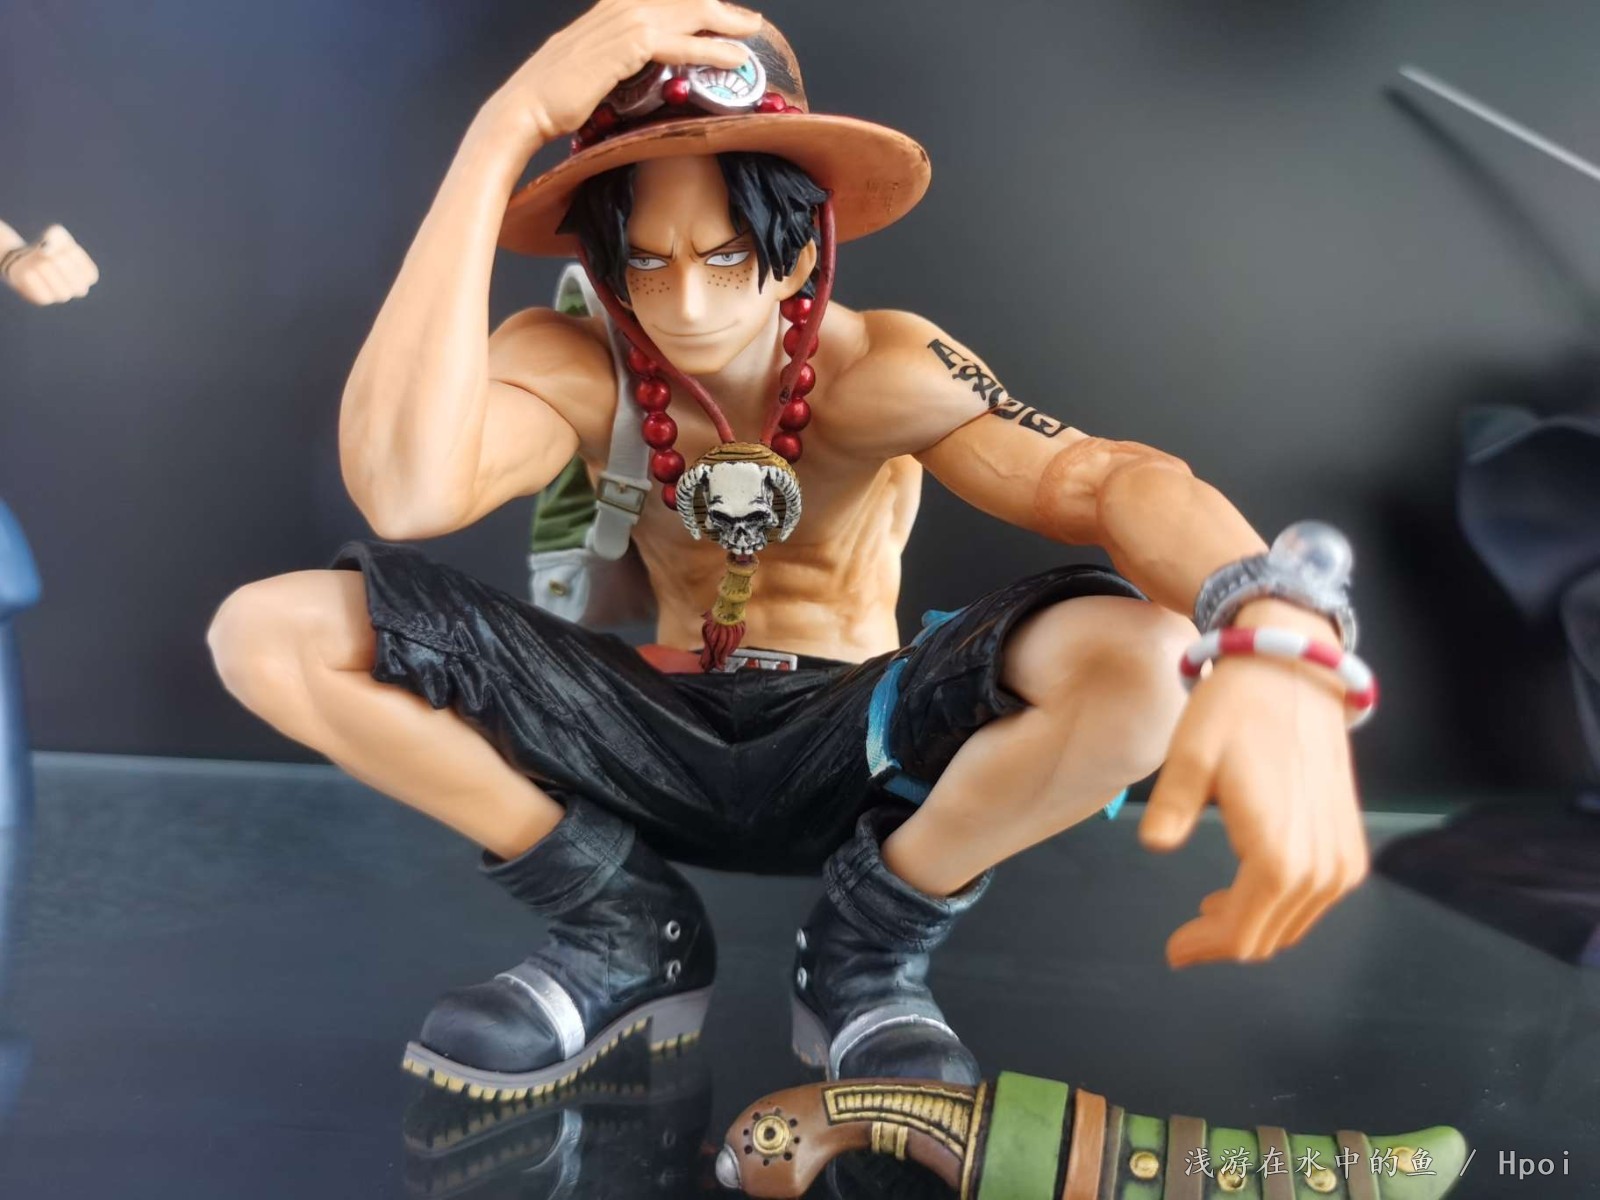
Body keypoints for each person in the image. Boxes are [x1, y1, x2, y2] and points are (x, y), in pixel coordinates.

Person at [207, 1, 1371, 1099]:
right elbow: (405, 490)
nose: (686, 303)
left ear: (801, 251)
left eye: (724, 256)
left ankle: (867, 951)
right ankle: (623, 928)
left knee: (1145, 656)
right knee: (272, 633)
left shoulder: (884, 370)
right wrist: (500, 129)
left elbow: (1108, 480)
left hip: (857, 742)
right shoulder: (575, 362)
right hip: (642, 733)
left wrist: (1273, 625)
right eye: (646, 262)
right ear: (606, 266)